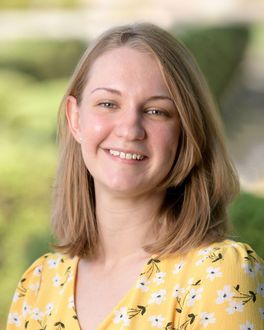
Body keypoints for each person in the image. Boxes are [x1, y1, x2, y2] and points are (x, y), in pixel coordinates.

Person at [6, 23, 264, 330]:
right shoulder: (37, 286)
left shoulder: (220, 272)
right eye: (108, 104)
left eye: (156, 111)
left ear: (186, 131)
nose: (129, 129)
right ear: (75, 118)